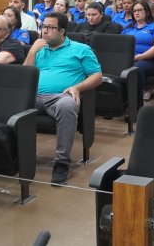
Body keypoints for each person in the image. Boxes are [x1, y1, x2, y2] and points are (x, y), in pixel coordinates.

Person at [25, 12, 102, 184]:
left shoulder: (81, 49)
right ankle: (12, 155)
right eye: (43, 27)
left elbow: (97, 76)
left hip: (61, 97)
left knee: (68, 105)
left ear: (61, 31)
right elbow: (25, 75)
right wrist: (32, 51)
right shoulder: (38, 49)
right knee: (11, 102)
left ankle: (61, 162)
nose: (44, 31)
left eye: (50, 28)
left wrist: (77, 87)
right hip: (34, 96)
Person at [121, 1, 154, 106]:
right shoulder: (128, 28)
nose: (136, 13)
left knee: (135, 69)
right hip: (129, 59)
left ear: (147, 12)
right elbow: (120, 45)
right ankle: (119, 103)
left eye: (140, 10)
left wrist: (141, 56)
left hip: (149, 61)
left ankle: (136, 108)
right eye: (135, 10)